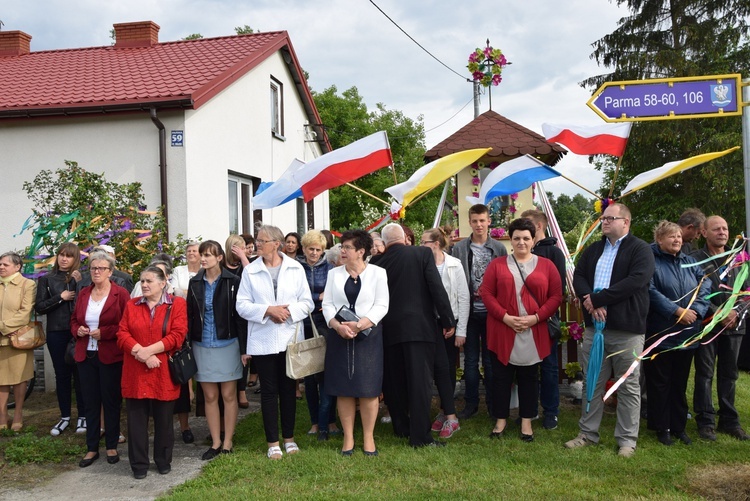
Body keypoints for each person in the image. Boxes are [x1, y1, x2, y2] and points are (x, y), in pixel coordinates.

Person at [565, 203, 654, 457]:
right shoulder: (594, 249)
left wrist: (600, 298)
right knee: (591, 383)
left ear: (625, 222)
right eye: (603, 218)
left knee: (628, 386)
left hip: (627, 331)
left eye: (610, 218)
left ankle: (626, 440)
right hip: (596, 329)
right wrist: (588, 299)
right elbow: (579, 276)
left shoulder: (640, 249)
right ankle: (587, 434)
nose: (604, 222)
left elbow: (636, 281)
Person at [371, 223, 455, 448]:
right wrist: (447, 320)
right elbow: (436, 288)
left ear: (386, 241)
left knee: (394, 382)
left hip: (388, 330)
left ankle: (401, 427)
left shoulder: (377, 262)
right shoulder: (422, 253)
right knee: (420, 383)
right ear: (404, 238)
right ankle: (420, 437)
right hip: (419, 328)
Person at [481, 218, 563, 442]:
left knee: (529, 378)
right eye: (516, 238)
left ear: (533, 239)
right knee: (501, 377)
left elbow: (556, 295)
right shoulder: (497, 264)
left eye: (526, 238)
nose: (521, 242)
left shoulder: (547, 265)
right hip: (503, 329)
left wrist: (536, 318)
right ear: (510, 239)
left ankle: (527, 421)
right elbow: (486, 293)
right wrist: (506, 318)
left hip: (533, 331)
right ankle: (501, 420)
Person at [236, 225, 313, 460]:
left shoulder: (295, 268)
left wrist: (287, 312)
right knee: (269, 391)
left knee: (289, 389)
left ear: (276, 244)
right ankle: (273, 442)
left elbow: (307, 302)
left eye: (262, 241)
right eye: (257, 241)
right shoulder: (251, 271)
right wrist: (268, 310)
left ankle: (289, 438)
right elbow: (241, 305)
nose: (257, 245)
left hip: (289, 337)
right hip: (264, 339)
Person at [322, 230, 389, 455]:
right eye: (342, 247)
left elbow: (382, 305)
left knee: (368, 389)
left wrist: (360, 324)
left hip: (368, 337)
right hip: (339, 336)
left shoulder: (378, 273)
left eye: (347, 247)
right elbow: (328, 304)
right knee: (344, 389)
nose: (343, 251)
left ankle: (368, 438)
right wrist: (337, 326)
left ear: (361, 252)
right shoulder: (334, 275)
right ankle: (348, 438)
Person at [117, 265, 188, 479]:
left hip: (163, 370)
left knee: (164, 420)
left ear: (163, 283)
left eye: (149, 281)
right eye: (142, 281)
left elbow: (177, 335)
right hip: (135, 371)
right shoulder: (131, 305)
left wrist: (149, 351)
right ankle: (139, 464)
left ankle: (163, 460)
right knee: (136, 422)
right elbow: (122, 333)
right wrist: (142, 354)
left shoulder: (177, 304)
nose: (144, 285)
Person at [645, 221, 711, 446]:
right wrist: (676, 311)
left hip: (688, 333)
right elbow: (650, 290)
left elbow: (705, 285)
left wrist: (697, 311)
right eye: (671, 236)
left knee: (680, 382)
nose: (677, 240)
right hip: (661, 332)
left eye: (679, 237)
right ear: (659, 240)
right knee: (660, 382)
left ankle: (679, 426)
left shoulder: (690, 262)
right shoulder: (650, 261)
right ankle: (661, 426)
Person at [691, 215, 750, 441]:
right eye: (716, 229)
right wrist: (717, 312)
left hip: (736, 325)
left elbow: (747, 291)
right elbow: (693, 292)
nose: (722, 232)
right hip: (708, 325)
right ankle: (706, 422)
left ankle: (729, 421)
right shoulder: (695, 259)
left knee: (730, 374)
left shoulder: (739, 258)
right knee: (704, 374)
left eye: (725, 229)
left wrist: (736, 312)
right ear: (704, 232)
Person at [71, 251, 130, 467]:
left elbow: (126, 324)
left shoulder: (120, 293)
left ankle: (112, 445)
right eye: (93, 268)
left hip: (110, 354)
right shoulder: (84, 293)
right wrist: (78, 330)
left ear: (110, 272)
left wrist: (104, 333)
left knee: (111, 400)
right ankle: (92, 447)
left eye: (101, 268)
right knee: (90, 402)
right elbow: (74, 319)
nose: (96, 272)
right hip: (85, 354)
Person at [187, 240, 245, 459]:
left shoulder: (234, 281)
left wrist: (244, 348)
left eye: (208, 255)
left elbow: (240, 318)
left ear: (219, 258)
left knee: (229, 395)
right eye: (202, 254)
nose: (203, 258)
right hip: (202, 344)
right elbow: (190, 316)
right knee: (210, 396)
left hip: (228, 343)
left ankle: (228, 441)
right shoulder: (195, 283)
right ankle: (215, 442)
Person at [451, 203, 507, 419]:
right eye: (475, 221)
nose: (479, 225)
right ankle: (471, 403)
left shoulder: (499, 249)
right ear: (469, 222)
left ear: (489, 221)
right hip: (470, 313)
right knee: (471, 361)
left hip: (493, 313)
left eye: (482, 220)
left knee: (492, 361)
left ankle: (494, 404)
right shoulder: (459, 249)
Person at [421, 228, 469, 438]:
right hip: (429, 323)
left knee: (447, 369)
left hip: (450, 323)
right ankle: (444, 411)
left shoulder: (453, 265)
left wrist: (461, 330)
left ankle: (446, 411)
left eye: (424, 242)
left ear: (436, 244)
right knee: (433, 369)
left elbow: (463, 298)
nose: (421, 245)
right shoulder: (421, 264)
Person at [521, 209, 567, 430]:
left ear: (538, 226)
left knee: (549, 367)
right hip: (523, 320)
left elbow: (558, 291)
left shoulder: (553, 253)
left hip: (545, 320)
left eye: (527, 224)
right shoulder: (522, 251)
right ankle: (529, 410)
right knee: (528, 367)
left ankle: (551, 411)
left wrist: (540, 314)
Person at [35, 243, 87, 436]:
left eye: (69, 256)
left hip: (77, 332)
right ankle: (65, 416)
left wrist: (78, 284)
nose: (64, 259)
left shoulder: (82, 278)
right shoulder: (46, 279)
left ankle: (83, 415)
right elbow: (39, 307)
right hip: (56, 332)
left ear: (75, 259)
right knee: (62, 375)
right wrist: (60, 297)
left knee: (80, 375)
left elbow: (86, 304)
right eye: (61, 255)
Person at [297, 230, 340, 440]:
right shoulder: (296, 268)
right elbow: (296, 295)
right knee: (309, 375)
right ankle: (315, 421)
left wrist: (321, 298)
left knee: (326, 373)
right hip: (303, 324)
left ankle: (330, 419)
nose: (314, 253)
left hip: (325, 325)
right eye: (311, 249)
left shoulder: (330, 268)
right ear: (304, 248)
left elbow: (333, 294)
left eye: (318, 249)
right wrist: (317, 297)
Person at [0, 252, 37, 432]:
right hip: (0, 339)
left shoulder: (27, 284)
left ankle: (18, 414)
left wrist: (2, 327)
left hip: (17, 338)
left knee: (19, 378)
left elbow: (25, 312)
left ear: (17, 266)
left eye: (5, 264)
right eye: (0, 264)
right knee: (1, 380)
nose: (1, 267)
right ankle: (2, 416)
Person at [225, 234, 251, 408]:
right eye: (235, 247)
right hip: (226, 311)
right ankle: (229, 387)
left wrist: (243, 258)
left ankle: (241, 390)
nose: (238, 250)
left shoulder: (247, 265)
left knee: (245, 351)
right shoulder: (221, 266)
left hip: (243, 313)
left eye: (241, 247)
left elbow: (253, 278)